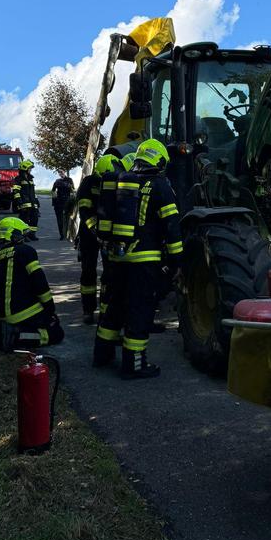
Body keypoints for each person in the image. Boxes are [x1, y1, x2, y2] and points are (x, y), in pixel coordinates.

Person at [102, 139, 183, 379]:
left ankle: (103, 354)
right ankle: (134, 365)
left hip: (119, 258)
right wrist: (177, 261)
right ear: (159, 161)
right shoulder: (160, 185)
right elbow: (171, 226)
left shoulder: (124, 181)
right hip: (145, 261)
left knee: (114, 307)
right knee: (140, 310)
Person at [0, 216, 64, 349]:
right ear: (14, 235)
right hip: (25, 313)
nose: (24, 239)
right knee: (56, 332)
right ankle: (16, 337)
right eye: (22, 235)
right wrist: (49, 308)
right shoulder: (26, 251)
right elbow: (39, 281)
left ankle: (6, 333)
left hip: (4, 317)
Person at [92, 152, 135, 367]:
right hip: (120, 253)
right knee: (118, 299)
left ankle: (103, 353)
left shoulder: (108, 184)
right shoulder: (123, 184)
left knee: (112, 300)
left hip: (112, 250)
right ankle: (124, 356)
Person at [75, 163, 101, 324]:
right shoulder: (88, 183)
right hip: (89, 233)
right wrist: (94, 229)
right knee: (88, 270)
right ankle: (88, 310)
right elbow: (84, 209)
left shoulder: (115, 180)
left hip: (108, 232)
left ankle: (106, 309)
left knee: (111, 273)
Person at [12, 159, 40, 241]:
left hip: (32, 203)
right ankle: (24, 236)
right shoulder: (18, 179)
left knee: (35, 219)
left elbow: (33, 192)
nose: (30, 170)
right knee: (24, 220)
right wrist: (19, 201)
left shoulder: (31, 179)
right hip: (24, 204)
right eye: (29, 168)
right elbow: (16, 191)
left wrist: (36, 201)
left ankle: (32, 234)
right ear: (25, 169)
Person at [51, 169, 73, 240]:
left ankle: (67, 234)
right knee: (59, 220)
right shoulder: (57, 181)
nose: (60, 173)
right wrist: (54, 199)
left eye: (62, 172)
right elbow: (53, 191)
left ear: (64, 172)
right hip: (59, 202)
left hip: (67, 201)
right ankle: (62, 235)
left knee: (67, 219)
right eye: (59, 172)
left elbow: (72, 189)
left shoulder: (69, 180)